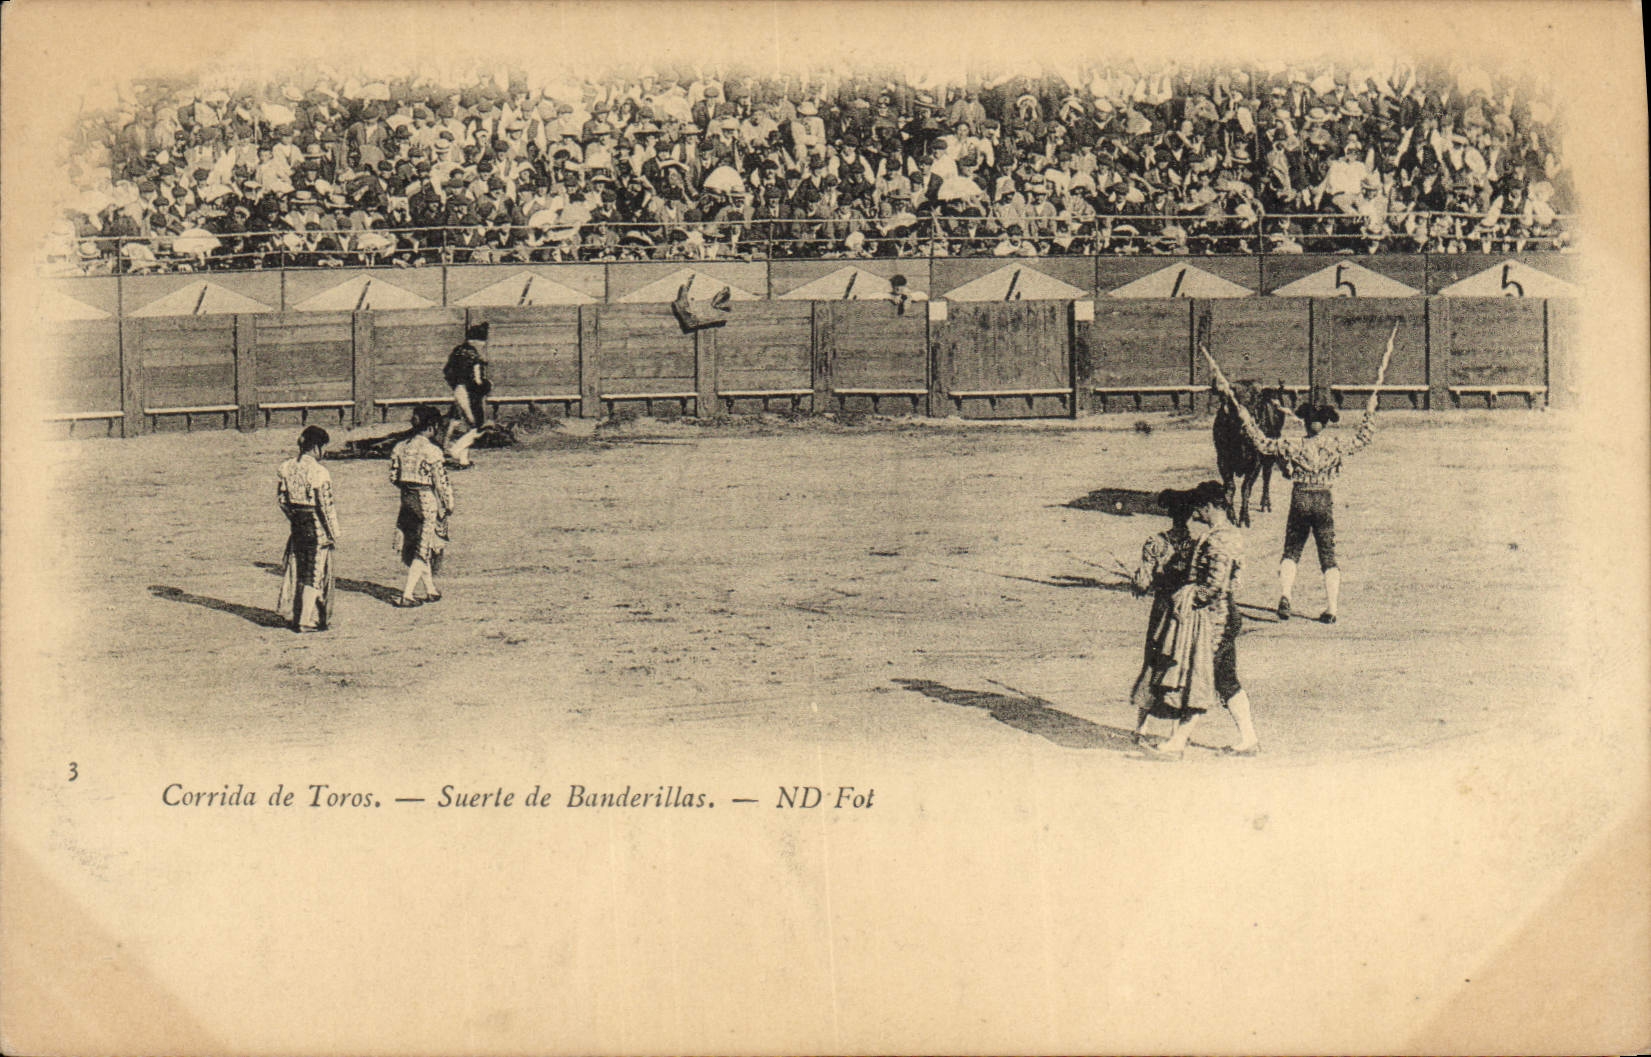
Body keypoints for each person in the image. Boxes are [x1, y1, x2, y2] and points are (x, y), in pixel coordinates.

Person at [1212, 365, 1376, 624]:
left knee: (1292, 550)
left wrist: (1245, 417)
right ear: (1324, 424)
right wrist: (1369, 411)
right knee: (1328, 554)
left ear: (1306, 423)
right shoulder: (1335, 446)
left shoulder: (1293, 444)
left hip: (1299, 498)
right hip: (1323, 499)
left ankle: (1285, 595)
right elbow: (1363, 438)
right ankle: (1332, 609)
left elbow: (1262, 443)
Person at [1144, 480, 1261, 759]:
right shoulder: (1227, 534)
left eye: (1200, 508)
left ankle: (1178, 741)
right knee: (1226, 681)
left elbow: (1214, 586)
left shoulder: (1219, 538)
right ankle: (1249, 739)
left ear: (1210, 507)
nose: (1197, 514)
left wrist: (1189, 597)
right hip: (1225, 612)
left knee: (1199, 677)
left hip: (1215, 618)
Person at [1129, 487, 1202, 742]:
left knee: (1153, 661)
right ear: (1191, 516)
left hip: (1161, 609)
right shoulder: (1197, 545)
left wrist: (1138, 581)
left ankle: (1141, 728)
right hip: (1185, 611)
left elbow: (1142, 583)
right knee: (1178, 665)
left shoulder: (1156, 543)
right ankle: (1175, 732)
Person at [275, 426, 340, 632]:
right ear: (316, 448)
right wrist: (333, 533)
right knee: (314, 572)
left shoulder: (287, 467)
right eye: (323, 447)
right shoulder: (319, 471)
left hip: (297, 525)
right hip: (316, 526)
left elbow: (282, 500)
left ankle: (302, 615)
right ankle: (304, 620)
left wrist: (294, 518)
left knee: (301, 569)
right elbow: (325, 506)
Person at [389, 405, 454, 607]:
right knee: (422, 549)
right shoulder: (432, 451)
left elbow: (393, 477)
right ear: (432, 427)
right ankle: (407, 595)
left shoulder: (399, 447)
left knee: (418, 544)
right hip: (425, 501)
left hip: (406, 501)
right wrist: (448, 504)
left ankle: (430, 589)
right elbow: (441, 483)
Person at [443, 322, 492, 468]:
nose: (483, 345)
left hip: (458, 390)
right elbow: (477, 381)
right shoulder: (474, 356)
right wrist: (485, 386)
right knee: (475, 425)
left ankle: (463, 460)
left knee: (457, 421)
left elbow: (447, 372)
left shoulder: (457, 351)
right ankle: (455, 451)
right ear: (478, 340)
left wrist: (455, 385)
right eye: (483, 342)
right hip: (470, 393)